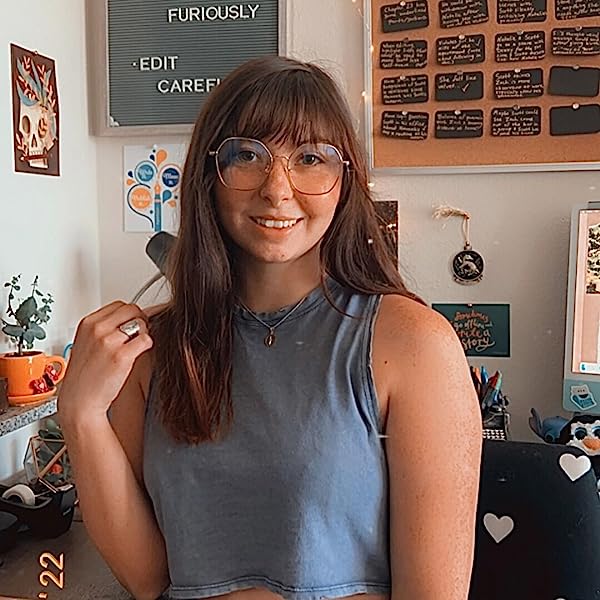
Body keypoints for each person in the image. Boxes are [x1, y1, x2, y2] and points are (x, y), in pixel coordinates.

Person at [58, 56, 482, 600]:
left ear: (345, 179)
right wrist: (81, 413)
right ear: (209, 175)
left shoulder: (415, 344)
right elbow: (149, 578)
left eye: (310, 158)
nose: (277, 189)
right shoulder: (149, 352)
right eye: (248, 155)